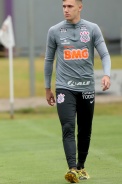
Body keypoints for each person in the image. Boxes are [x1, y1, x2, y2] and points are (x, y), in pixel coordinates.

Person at [44, 0, 111, 183]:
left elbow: (104, 54)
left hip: (87, 87)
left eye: (70, 6)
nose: (66, 10)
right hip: (64, 87)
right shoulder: (55, 31)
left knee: (85, 129)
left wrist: (106, 74)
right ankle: (72, 168)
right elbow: (49, 60)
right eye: (64, 6)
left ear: (80, 7)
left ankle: (81, 166)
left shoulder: (91, 29)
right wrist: (47, 88)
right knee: (67, 127)